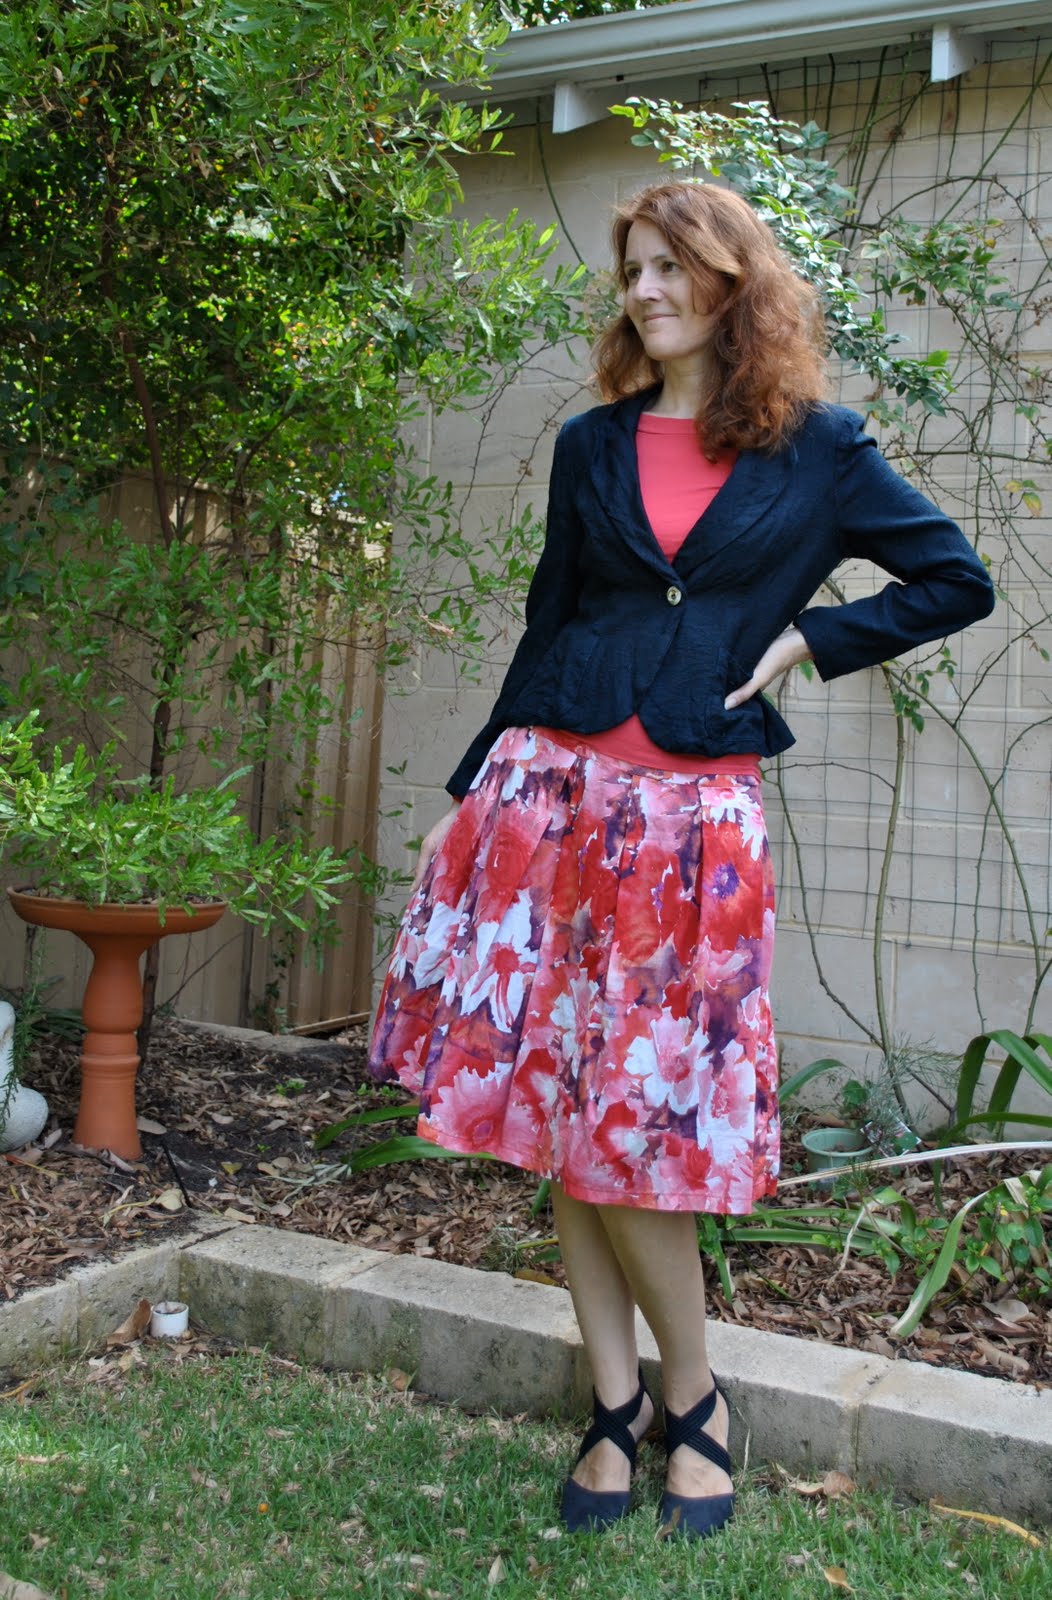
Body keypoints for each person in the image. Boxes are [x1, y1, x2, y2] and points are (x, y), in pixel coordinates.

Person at [368, 181, 995, 1538]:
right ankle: (615, 1406)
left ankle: (695, 1400)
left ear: (732, 284)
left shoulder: (821, 451)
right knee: (563, 1111)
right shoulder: (591, 445)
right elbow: (549, 621)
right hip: (551, 798)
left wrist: (809, 641)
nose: (645, 290)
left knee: (640, 1126)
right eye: (633, 270)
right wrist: (469, 790)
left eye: (671, 267)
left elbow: (957, 579)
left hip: (692, 825)